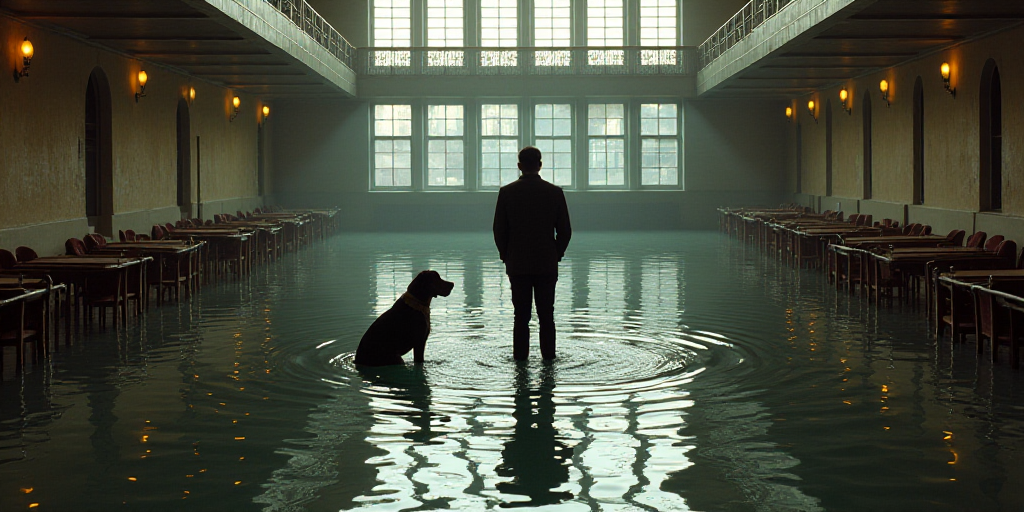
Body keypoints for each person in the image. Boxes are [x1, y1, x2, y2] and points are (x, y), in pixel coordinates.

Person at [492, 146, 572, 361]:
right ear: (540, 165)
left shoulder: (507, 192)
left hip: (518, 263)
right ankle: (549, 358)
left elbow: (499, 230)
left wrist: (506, 255)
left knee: (521, 317)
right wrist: (556, 253)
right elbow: (565, 231)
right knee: (547, 316)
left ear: (519, 166)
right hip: (546, 262)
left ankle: (520, 359)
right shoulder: (555, 192)